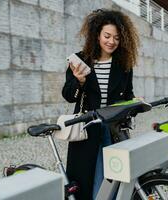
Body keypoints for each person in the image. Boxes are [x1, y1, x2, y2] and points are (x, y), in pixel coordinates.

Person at [62, 9, 139, 200]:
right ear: (97, 34)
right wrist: (78, 81)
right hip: (87, 127)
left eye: (116, 38)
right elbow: (69, 95)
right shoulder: (80, 60)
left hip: (113, 128)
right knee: (86, 178)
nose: (111, 41)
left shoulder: (124, 64)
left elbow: (127, 95)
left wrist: (134, 103)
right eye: (107, 36)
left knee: (114, 174)